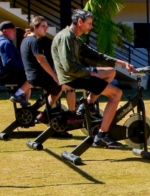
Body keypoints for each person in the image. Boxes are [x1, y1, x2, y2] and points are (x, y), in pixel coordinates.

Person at [51, 9, 137, 149]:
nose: (91, 27)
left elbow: (95, 55)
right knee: (116, 94)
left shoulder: (74, 38)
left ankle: (88, 104)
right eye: (89, 23)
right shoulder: (67, 37)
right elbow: (69, 67)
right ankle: (102, 135)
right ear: (80, 22)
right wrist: (90, 73)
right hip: (74, 78)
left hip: (77, 74)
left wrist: (122, 62)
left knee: (110, 72)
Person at [20, 16, 82, 124]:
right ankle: (71, 114)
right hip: (38, 76)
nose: (46, 29)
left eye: (47, 26)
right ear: (35, 27)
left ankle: (41, 111)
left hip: (33, 76)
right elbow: (42, 60)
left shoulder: (26, 40)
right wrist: (54, 75)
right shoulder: (34, 41)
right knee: (68, 85)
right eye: (43, 26)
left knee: (57, 89)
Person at [0, 21, 31, 106]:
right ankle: (18, 96)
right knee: (33, 77)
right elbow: (8, 63)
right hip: (6, 75)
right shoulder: (5, 43)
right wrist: (23, 67)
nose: (15, 32)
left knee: (27, 85)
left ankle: (23, 108)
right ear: (5, 31)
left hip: (0, 75)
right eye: (13, 30)